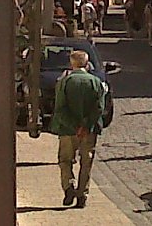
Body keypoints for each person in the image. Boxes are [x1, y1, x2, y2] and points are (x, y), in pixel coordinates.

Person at [49, 50, 105, 208]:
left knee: (65, 160)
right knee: (86, 162)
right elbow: (99, 107)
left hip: (68, 129)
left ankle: (69, 186)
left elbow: (60, 108)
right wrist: (85, 126)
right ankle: (82, 194)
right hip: (89, 130)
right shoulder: (95, 82)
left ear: (71, 64)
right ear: (87, 64)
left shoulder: (65, 82)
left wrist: (74, 126)